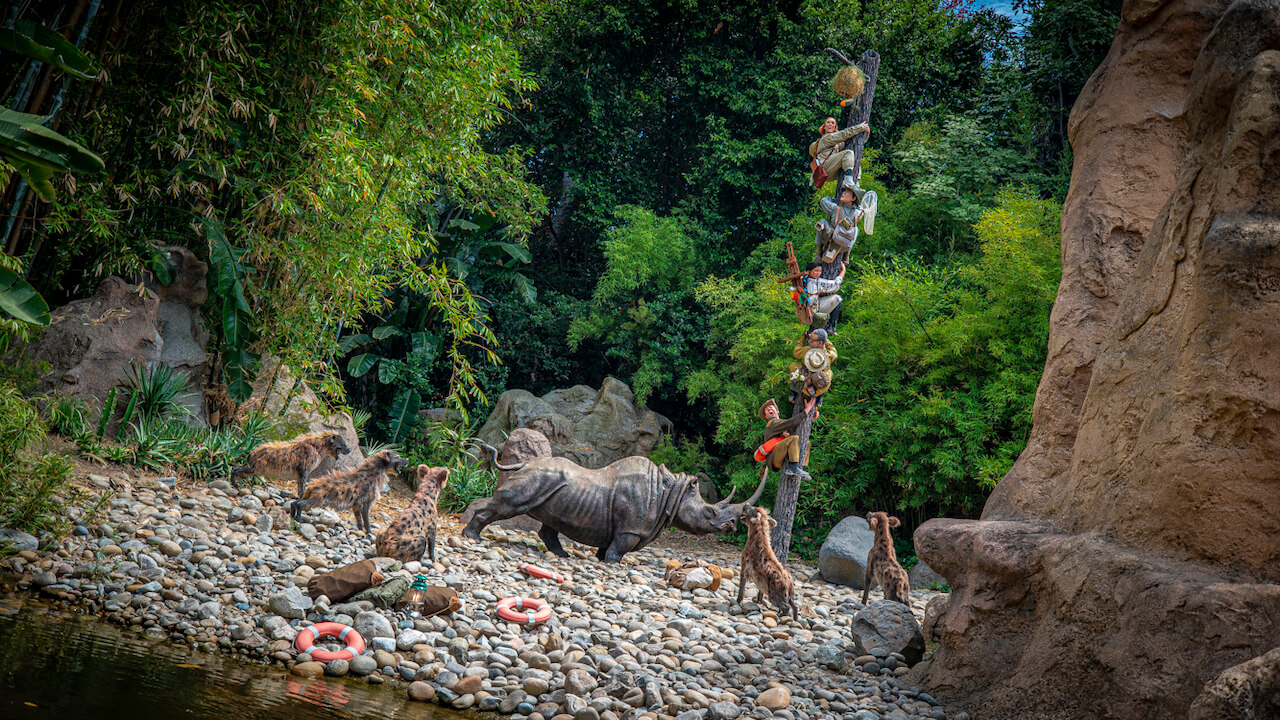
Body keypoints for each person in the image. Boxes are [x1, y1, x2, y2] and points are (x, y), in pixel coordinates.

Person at [753, 397, 816, 481]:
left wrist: (811, 419)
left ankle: (801, 468)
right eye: (767, 410)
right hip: (773, 459)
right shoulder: (772, 424)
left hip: (781, 455)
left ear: (777, 411)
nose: (769, 409)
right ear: (766, 416)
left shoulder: (781, 424)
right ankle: (793, 468)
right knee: (793, 439)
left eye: (771, 407)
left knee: (806, 442)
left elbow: (797, 428)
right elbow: (791, 422)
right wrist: (806, 411)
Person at [808, 116, 870, 195]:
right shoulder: (825, 138)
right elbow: (844, 134)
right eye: (828, 122)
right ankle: (848, 180)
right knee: (848, 153)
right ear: (824, 127)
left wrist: (865, 135)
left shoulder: (837, 144)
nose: (830, 124)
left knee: (853, 158)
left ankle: (855, 183)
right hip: (825, 168)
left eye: (832, 123)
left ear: (835, 127)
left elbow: (854, 144)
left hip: (831, 171)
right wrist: (861, 127)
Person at [790, 328, 838, 405]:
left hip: (805, 388)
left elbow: (796, 352)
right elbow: (833, 350)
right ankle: (819, 398)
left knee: (793, 365)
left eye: (812, 340)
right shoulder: (829, 355)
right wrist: (826, 340)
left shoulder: (807, 350)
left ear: (819, 343)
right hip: (821, 387)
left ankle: (793, 392)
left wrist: (803, 338)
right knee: (830, 373)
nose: (809, 341)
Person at [801, 261, 847, 333]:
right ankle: (831, 326)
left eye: (820, 271)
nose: (818, 273)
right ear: (808, 271)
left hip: (807, 308)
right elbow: (835, 284)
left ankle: (831, 325)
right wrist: (843, 270)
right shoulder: (818, 282)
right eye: (816, 271)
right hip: (813, 309)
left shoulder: (801, 280)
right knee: (837, 298)